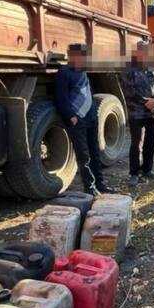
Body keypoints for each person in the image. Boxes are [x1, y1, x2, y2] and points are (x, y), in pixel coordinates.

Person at [54, 43, 111, 195]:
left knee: (95, 152)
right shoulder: (64, 73)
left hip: (91, 117)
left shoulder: (83, 72)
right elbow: (61, 98)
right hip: (77, 119)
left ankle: (100, 184)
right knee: (83, 155)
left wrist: (94, 115)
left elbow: (87, 93)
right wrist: (71, 116)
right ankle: (90, 187)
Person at [120, 41, 154, 187]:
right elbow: (128, 90)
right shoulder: (128, 69)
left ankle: (147, 169)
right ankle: (134, 174)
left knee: (152, 143)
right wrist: (146, 102)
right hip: (137, 113)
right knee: (137, 144)